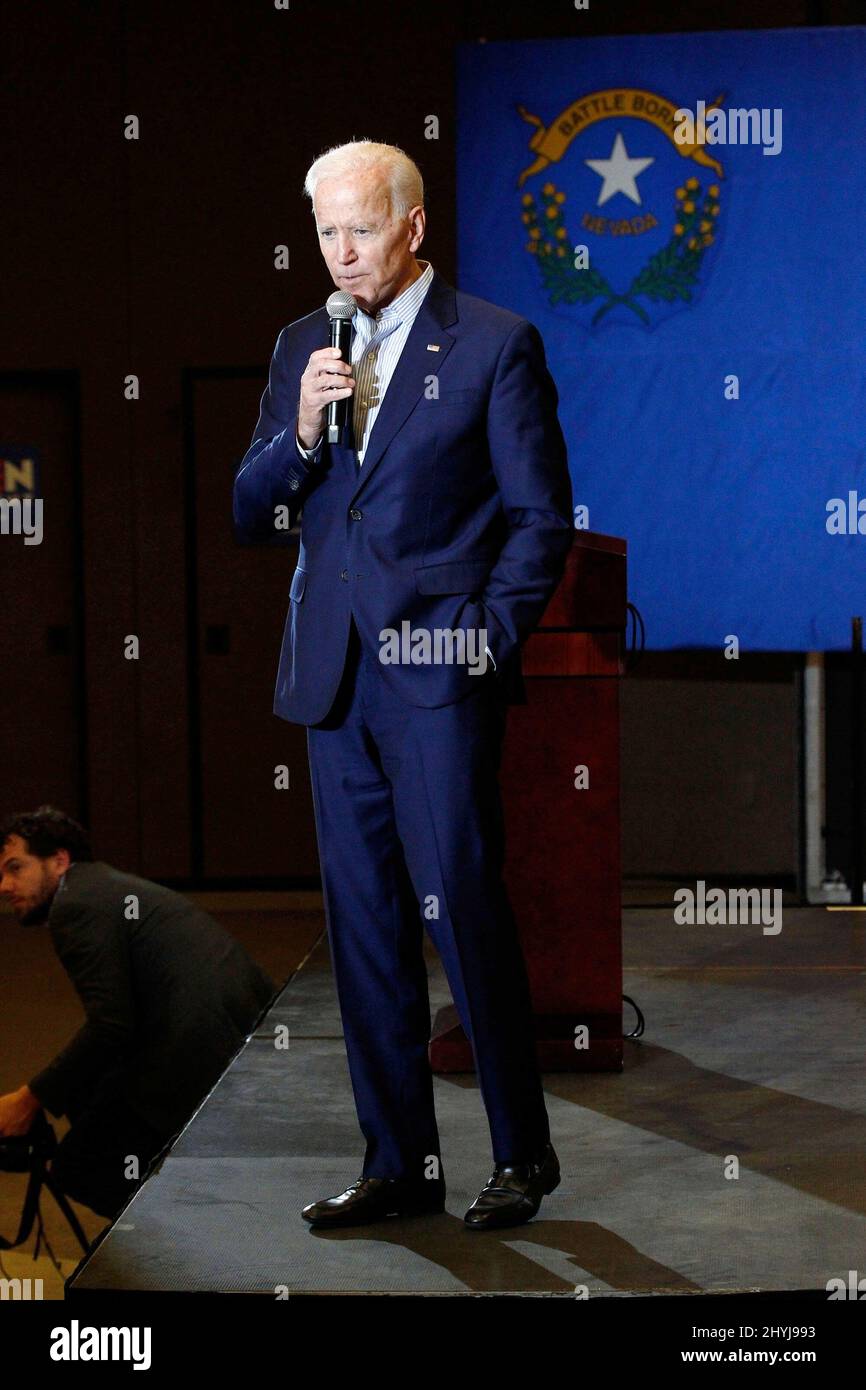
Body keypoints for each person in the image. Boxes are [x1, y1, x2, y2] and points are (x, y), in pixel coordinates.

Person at [233, 140, 574, 1231]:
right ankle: (399, 1165)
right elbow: (252, 509)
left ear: (412, 226)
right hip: (332, 683)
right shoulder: (300, 345)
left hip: (436, 679)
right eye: (326, 232)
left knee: (462, 911)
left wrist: (479, 637)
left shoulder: (492, 344)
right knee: (366, 930)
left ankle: (521, 1154)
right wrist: (296, 433)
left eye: (360, 229)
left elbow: (537, 520)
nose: (340, 252)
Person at [0, 807, 275, 1219]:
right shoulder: (99, 886)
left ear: (59, 860)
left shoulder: (74, 906)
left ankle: (188, 1252)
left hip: (200, 1059)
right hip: (233, 1039)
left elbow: (111, 1027)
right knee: (86, 1099)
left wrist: (27, 1100)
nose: (4, 886)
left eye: (15, 868)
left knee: (79, 1168)